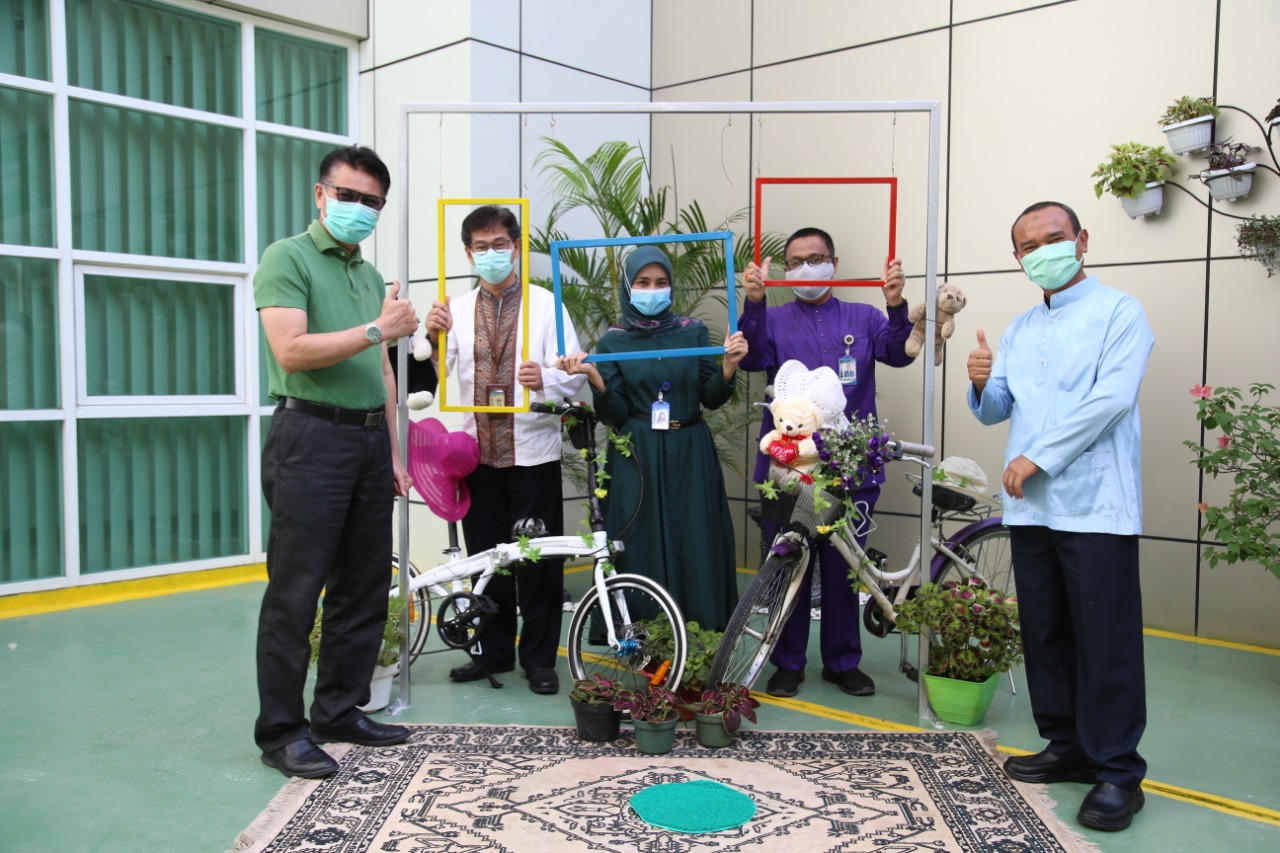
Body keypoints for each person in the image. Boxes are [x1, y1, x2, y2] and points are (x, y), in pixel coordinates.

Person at [967, 201, 1153, 832]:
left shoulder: (1120, 312)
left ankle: (1118, 772)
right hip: (1032, 508)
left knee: (1106, 639)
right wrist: (981, 381)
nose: (1042, 251)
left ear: (1082, 240)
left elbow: (1112, 398)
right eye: (1029, 246)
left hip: (1097, 503)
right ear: (1018, 259)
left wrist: (1037, 457)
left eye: (1054, 238)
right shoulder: (1020, 327)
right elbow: (998, 409)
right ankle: (1067, 744)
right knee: (1045, 632)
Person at [253, 145, 419, 779]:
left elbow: (382, 370)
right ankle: (281, 731)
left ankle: (338, 710)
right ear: (320, 194)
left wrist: (395, 452)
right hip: (310, 437)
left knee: (364, 584)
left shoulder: (370, 278)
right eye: (348, 196)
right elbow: (291, 350)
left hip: (369, 441)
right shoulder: (287, 257)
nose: (359, 209)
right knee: (296, 590)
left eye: (372, 202)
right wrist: (380, 329)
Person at [740, 229, 914, 699]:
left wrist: (896, 304)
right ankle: (788, 662)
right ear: (785, 269)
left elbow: (898, 354)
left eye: (816, 258)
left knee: (844, 569)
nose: (807, 268)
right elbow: (752, 359)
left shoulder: (865, 316)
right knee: (789, 564)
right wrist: (753, 303)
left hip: (850, 466)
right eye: (796, 261)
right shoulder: (772, 319)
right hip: (789, 467)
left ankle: (843, 662)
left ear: (834, 263)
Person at [425, 205, 586, 695]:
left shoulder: (547, 305)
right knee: (487, 560)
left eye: (500, 244)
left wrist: (546, 379)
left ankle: (539, 660)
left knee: (537, 561)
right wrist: (431, 339)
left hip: (533, 453)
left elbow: (575, 373)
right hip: (477, 455)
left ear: (516, 247)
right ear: (468, 253)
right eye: (481, 246)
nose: (491, 253)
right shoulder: (454, 309)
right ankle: (491, 653)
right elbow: (434, 377)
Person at [561, 246, 749, 632]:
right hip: (637, 452)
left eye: (661, 282)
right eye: (643, 282)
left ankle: (702, 632)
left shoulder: (693, 332)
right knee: (639, 538)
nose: (653, 290)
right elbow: (615, 415)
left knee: (698, 536)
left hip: (692, 448)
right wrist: (595, 379)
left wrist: (728, 367)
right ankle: (643, 635)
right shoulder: (612, 343)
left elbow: (711, 396)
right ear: (628, 286)